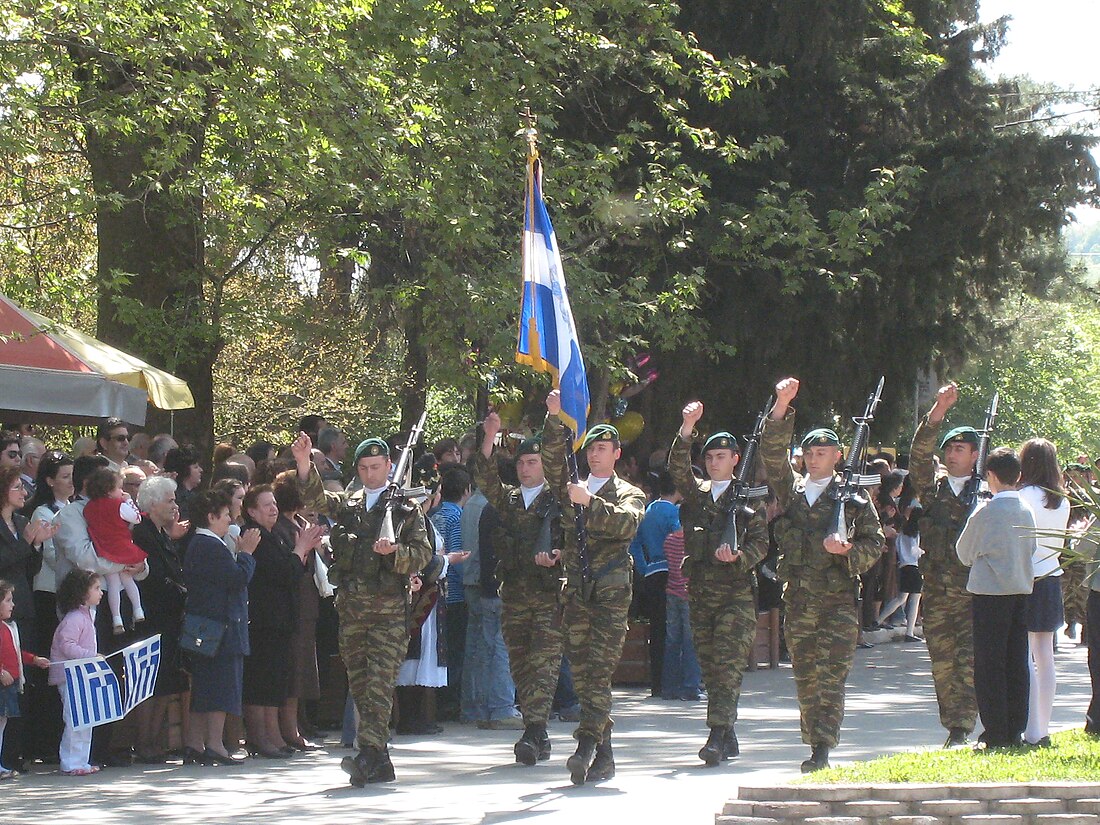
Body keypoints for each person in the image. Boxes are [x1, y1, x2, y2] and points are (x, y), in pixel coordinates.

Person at [295, 433, 433, 785]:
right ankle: (380, 759)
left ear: (389, 466)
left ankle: (369, 752)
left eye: (377, 466)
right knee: (358, 683)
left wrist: (395, 554)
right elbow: (317, 498)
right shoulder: (350, 504)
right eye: (364, 467)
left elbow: (423, 553)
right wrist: (303, 464)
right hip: (353, 611)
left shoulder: (405, 508)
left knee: (379, 685)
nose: (371, 473)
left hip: (388, 614)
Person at [761, 377, 885, 773]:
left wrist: (848, 552)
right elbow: (771, 452)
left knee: (830, 676)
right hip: (798, 600)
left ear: (838, 455)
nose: (814, 459)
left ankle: (822, 746)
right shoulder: (792, 491)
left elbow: (875, 543)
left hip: (837, 603)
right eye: (809, 452)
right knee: (805, 677)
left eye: (822, 452)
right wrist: (781, 406)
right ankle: (814, 737)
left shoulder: (853, 498)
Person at [541, 390, 645, 785]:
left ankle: (586, 743)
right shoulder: (571, 488)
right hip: (577, 593)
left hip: (611, 596)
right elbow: (552, 463)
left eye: (604, 448)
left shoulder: (629, 493)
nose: (596, 455)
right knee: (584, 675)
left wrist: (590, 504)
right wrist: (555, 419)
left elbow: (627, 525)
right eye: (592, 449)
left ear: (617, 454)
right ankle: (604, 756)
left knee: (599, 671)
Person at [671, 402, 770, 765]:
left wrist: (740, 557)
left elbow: (761, 543)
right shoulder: (697, 494)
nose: (714, 462)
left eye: (721, 456)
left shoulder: (747, 499)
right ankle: (728, 734)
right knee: (711, 667)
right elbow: (677, 467)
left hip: (735, 595)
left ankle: (715, 735)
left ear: (735, 459)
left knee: (727, 666)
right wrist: (686, 427)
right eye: (709, 456)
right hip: (701, 592)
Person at [473, 413, 565, 766]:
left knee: (544, 664)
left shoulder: (560, 500)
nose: (525, 469)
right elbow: (484, 475)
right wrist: (489, 436)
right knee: (521, 666)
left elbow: (577, 542)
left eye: (532, 462)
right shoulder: (509, 500)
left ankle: (534, 731)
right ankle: (535, 728)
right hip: (514, 596)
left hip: (547, 596)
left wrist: (560, 557)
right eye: (522, 462)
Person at [908, 382, 981, 748]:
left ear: (974, 455)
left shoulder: (986, 493)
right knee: (943, 663)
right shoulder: (933, 489)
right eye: (949, 449)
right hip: (937, 593)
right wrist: (938, 410)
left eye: (960, 449)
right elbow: (918, 455)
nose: (952, 455)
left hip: (974, 593)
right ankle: (954, 725)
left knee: (969, 662)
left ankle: (965, 724)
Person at [956, 447, 1035, 749]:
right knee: (1017, 661)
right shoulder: (1026, 510)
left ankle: (995, 730)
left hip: (990, 593)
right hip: (1021, 590)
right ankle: (1016, 727)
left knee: (990, 664)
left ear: (990, 475)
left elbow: (964, 553)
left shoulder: (986, 512)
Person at [239, 482, 320, 757]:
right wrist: (301, 549)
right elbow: (282, 573)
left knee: (276, 680)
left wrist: (303, 549)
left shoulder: (275, 535)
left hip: (281, 618)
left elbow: (295, 571)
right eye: (266, 505)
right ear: (251, 511)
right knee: (262, 680)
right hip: (263, 619)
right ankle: (260, 737)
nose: (273, 508)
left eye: (274, 503)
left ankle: (274, 735)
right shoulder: (255, 536)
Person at [182, 490, 259, 766]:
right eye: (226, 515)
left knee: (205, 685)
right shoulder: (209, 545)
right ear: (211, 517)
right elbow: (237, 579)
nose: (230, 519)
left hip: (206, 625)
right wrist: (246, 554)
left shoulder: (203, 544)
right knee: (220, 685)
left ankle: (195, 743)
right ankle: (214, 744)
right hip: (219, 627)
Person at [131, 476, 191, 763]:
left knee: (165, 684)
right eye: (170, 500)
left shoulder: (161, 532)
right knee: (149, 685)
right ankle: (143, 742)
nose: (175, 506)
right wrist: (182, 593)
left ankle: (154, 741)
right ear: (153, 503)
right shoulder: (142, 533)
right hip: (152, 619)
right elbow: (152, 577)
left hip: (169, 620)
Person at [21, 451, 73, 764]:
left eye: (72, 476)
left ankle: (60, 737)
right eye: (64, 476)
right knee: (51, 667)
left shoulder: (74, 507)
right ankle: (44, 740)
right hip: (49, 593)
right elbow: (51, 555)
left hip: (71, 593)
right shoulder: (44, 510)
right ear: (50, 480)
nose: (70, 482)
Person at [1018, 438, 1070, 747]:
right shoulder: (1061, 499)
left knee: (1025, 656)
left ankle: (1031, 727)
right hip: (1052, 576)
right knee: (1046, 656)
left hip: (1027, 578)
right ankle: (1043, 727)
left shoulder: (1024, 496)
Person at [629, 470, 678, 699]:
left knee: (656, 629)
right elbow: (678, 542)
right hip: (670, 573)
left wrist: (644, 566)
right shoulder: (673, 513)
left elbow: (635, 544)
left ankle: (656, 682)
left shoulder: (648, 510)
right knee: (674, 629)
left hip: (651, 572)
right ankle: (672, 681)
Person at [49, 569, 103, 776]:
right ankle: (70, 762)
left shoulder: (86, 616)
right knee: (74, 719)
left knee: (85, 719)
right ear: (82, 593)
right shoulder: (74, 618)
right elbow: (66, 645)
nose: (101, 592)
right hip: (69, 677)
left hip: (81, 677)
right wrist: (91, 656)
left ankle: (81, 760)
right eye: (96, 588)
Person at [82, 468, 148, 634]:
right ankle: (138, 610)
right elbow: (136, 518)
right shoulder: (117, 504)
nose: (122, 491)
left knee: (113, 583)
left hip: (103, 548)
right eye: (119, 488)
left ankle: (116, 618)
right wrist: (129, 501)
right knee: (127, 579)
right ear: (109, 490)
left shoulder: (89, 507)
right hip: (121, 546)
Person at [0, 579, 50, 779]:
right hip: (3, 682)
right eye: (8, 600)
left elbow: (15, 652)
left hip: (10, 684)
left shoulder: (7, 628)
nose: (12, 605)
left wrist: (34, 659)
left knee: (3, 725)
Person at [659, 527, 702, 704]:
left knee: (672, 641)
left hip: (672, 591)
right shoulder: (694, 541)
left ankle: (669, 687)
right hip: (688, 593)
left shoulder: (669, 540)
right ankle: (690, 687)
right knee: (691, 642)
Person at [163, 447, 203, 521]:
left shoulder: (194, 496)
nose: (201, 470)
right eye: (196, 467)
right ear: (185, 470)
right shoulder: (176, 498)